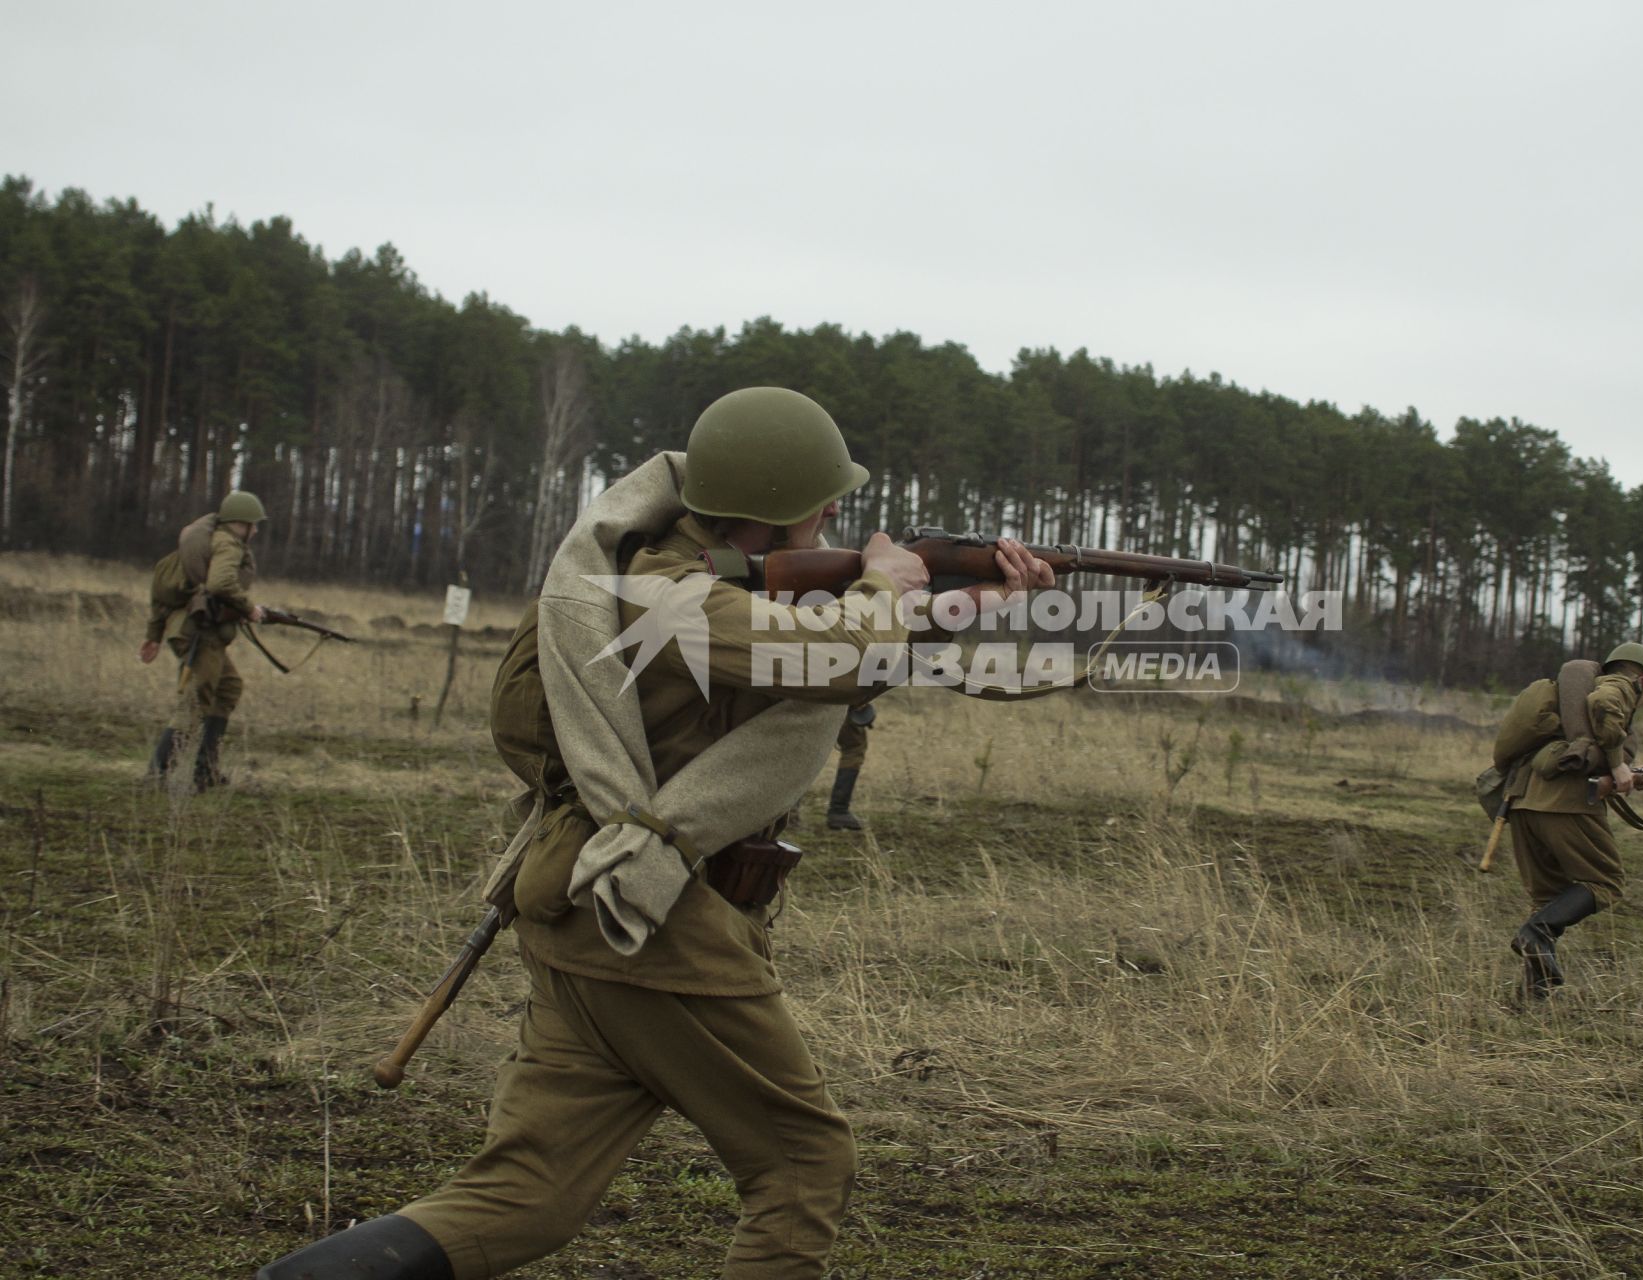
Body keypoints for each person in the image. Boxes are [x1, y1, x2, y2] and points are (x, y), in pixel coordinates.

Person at [255, 387, 1054, 1280]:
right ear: (788, 506)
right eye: (828, 498)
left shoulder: (678, 575)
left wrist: (953, 604)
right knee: (801, 1166)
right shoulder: (670, 596)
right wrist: (883, 584)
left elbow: (808, 666)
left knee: (527, 1193)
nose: (838, 512)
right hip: (656, 925)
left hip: (586, 917)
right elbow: (834, 654)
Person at [1501, 642, 1643, 1000]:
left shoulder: (1566, 703)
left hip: (1523, 802)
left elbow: (1588, 756)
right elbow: (1603, 707)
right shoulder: (1621, 684)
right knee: (1606, 882)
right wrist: (1619, 763)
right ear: (1641, 679)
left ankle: (1533, 999)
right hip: (1565, 804)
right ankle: (1536, 934)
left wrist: (1629, 775)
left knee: (1546, 897)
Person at [140, 490, 268, 791]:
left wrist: (154, 636)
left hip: (189, 630)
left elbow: (161, 594)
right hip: (199, 634)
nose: (257, 530)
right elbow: (220, 583)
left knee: (227, 688)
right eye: (254, 525)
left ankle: (204, 771)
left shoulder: (210, 542)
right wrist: (249, 608)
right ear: (242, 524)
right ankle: (157, 775)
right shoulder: (228, 545)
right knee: (195, 703)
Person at [825, 703, 876, 830]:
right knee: (854, 747)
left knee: (803, 751)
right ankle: (839, 810)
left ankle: (788, 811)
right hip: (838, 703)